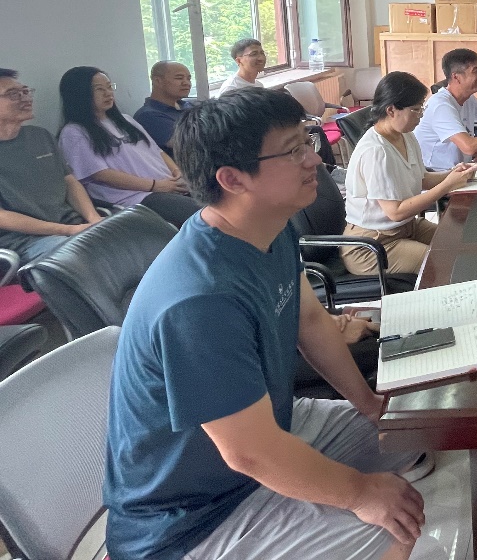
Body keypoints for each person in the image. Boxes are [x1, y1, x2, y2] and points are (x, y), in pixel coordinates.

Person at [103, 88, 426, 560]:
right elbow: (249, 453)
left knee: (417, 435)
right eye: (293, 150)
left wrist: (369, 404)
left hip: (272, 428)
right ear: (232, 179)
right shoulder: (200, 300)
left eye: (307, 140)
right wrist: (360, 494)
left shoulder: (270, 227)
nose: (314, 159)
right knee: (403, 528)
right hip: (192, 518)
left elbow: (309, 319)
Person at [343, 71, 477, 276]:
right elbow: (395, 212)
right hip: (372, 244)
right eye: (416, 110)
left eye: (422, 108)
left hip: (405, 227)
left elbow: (422, 179)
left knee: (459, 240)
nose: (421, 115)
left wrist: (454, 174)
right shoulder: (376, 151)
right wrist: (448, 185)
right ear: (391, 110)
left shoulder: (405, 136)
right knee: (439, 261)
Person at [57, 66, 201, 227]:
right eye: (99, 89)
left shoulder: (126, 120)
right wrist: (155, 186)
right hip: (138, 197)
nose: (108, 93)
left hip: (168, 185)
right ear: (79, 94)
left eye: (109, 87)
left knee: (219, 200)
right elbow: (101, 174)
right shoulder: (74, 132)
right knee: (204, 215)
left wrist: (177, 172)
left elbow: (157, 152)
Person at [0, 68, 102, 265]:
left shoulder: (40, 136)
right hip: (24, 241)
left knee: (137, 235)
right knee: (86, 256)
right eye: (13, 94)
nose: (25, 98)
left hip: (72, 224)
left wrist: (94, 219)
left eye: (25, 91)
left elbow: (69, 181)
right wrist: (67, 230)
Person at [133, 61, 194, 155]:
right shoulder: (148, 116)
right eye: (179, 78)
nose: (186, 83)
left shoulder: (188, 105)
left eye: (188, 79)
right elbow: (192, 144)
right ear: (157, 81)